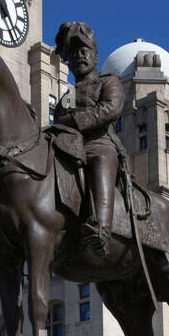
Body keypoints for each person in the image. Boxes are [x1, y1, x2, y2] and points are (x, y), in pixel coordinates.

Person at [51, 22, 126, 261]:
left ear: (95, 57)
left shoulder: (109, 81)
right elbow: (59, 121)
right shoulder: (68, 95)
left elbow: (110, 109)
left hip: (100, 142)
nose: (79, 57)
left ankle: (100, 229)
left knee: (99, 160)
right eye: (73, 54)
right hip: (69, 146)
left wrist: (75, 121)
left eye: (85, 52)